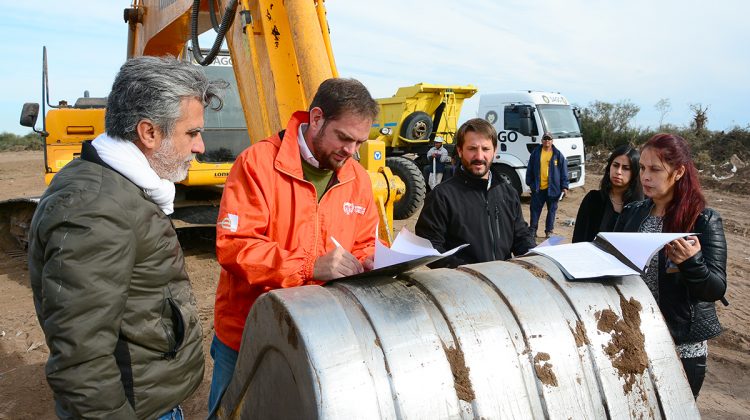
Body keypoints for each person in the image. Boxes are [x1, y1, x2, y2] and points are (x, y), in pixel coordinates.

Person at [27, 56, 225, 419]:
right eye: (192, 133)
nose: (199, 147)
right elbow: (81, 361)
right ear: (149, 133)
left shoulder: (124, 191)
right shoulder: (96, 210)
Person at [209, 78, 381, 414]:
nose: (351, 151)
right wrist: (309, 267)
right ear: (316, 118)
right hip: (249, 336)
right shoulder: (256, 164)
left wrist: (371, 259)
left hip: (322, 333)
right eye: (344, 138)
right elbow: (234, 245)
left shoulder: (357, 178)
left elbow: (366, 240)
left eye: (359, 142)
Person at [614, 133, 727, 398]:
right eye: (642, 168)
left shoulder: (703, 220)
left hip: (681, 346)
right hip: (635, 337)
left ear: (678, 172)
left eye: (655, 169)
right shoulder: (633, 213)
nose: (645, 176)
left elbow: (715, 289)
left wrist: (692, 264)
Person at [415, 118, 535, 268]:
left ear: (494, 150)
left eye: (485, 149)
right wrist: (469, 273)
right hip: (464, 286)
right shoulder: (442, 196)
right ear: (460, 150)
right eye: (472, 149)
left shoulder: (508, 193)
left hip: (502, 283)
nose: (479, 156)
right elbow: (430, 247)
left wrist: (533, 255)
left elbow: (521, 236)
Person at [572, 144, 643, 242]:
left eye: (626, 168)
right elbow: (578, 238)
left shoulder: (641, 206)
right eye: (615, 165)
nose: (618, 172)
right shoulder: (593, 199)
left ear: (634, 173)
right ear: (609, 168)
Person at [526, 133, 569, 238]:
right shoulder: (536, 153)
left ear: (552, 141)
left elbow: (564, 171)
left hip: (553, 189)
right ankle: (533, 230)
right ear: (542, 140)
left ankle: (549, 231)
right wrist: (530, 183)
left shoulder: (557, 154)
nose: (547, 141)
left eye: (549, 139)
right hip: (538, 188)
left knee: (552, 211)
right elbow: (530, 169)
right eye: (545, 139)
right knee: (535, 210)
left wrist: (564, 186)